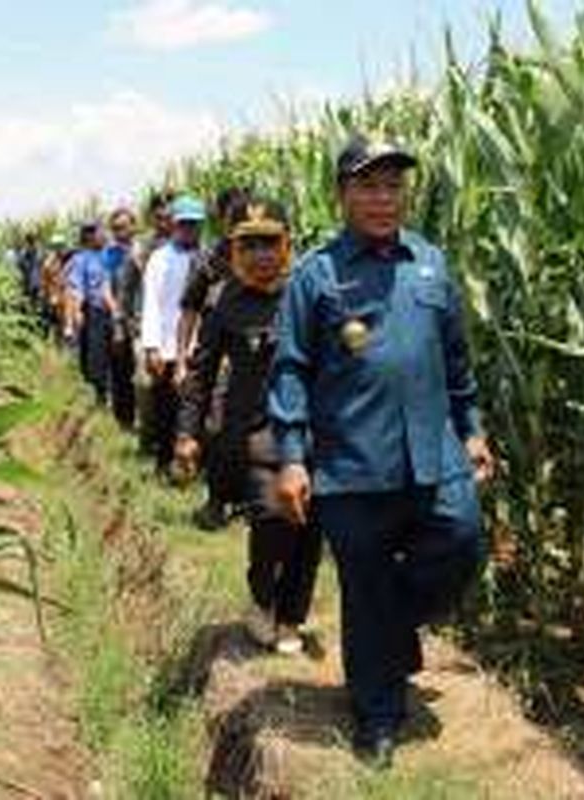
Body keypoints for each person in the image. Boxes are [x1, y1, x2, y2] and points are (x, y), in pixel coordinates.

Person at [267, 134, 496, 768]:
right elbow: (289, 369)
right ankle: (378, 717)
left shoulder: (430, 263)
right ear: (342, 194)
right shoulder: (316, 273)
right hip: (351, 464)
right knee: (365, 587)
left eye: (392, 185)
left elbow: (455, 359)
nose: (382, 197)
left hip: (435, 453)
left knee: (462, 542)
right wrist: (291, 456)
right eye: (367, 185)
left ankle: (387, 634)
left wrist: (471, 427)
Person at [175, 200, 321, 655]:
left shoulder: (308, 294)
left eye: (269, 243)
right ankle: (262, 599)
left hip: (312, 430)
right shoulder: (225, 304)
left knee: (307, 529)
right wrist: (186, 433)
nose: (261, 254)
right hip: (253, 433)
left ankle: (292, 616)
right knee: (271, 515)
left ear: (287, 245)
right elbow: (201, 372)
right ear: (234, 248)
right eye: (249, 244)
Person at [177, 187, 251, 530]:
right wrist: (181, 358)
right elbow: (189, 309)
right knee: (220, 427)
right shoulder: (212, 260)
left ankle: (249, 500)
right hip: (220, 355)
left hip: (260, 357)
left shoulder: (271, 252)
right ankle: (218, 499)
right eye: (234, 219)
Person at [140, 194, 205, 473]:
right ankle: (163, 463)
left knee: (194, 410)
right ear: (174, 225)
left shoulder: (207, 258)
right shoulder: (160, 258)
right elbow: (151, 302)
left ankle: (195, 466)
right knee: (165, 408)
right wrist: (151, 346)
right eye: (184, 224)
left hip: (199, 346)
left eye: (195, 224)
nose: (190, 229)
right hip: (166, 345)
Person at [129, 191, 176, 455]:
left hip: (179, 329)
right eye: (159, 217)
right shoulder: (143, 247)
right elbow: (129, 288)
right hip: (146, 326)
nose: (164, 222)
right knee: (146, 384)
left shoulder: (192, 245)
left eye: (169, 216)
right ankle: (148, 440)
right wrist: (123, 322)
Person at [67, 221, 115, 403]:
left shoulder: (107, 255)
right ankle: (101, 394)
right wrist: (77, 312)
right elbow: (76, 288)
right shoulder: (81, 259)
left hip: (114, 310)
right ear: (89, 237)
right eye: (99, 233)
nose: (103, 235)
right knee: (97, 355)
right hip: (95, 311)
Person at [105, 208, 140, 429]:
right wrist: (117, 314)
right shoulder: (110, 254)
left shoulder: (143, 250)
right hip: (121, 318)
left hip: (143, 319)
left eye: (123, 226)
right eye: (115, 228)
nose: (119, 232)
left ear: (134, 226)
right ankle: (124, 419)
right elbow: (106, 287)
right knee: (121, 369)